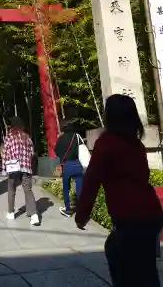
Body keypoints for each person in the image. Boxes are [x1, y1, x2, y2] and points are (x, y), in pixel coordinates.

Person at [75, 94, 163, 287]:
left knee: (125, 267)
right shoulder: (137, 145)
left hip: (129, 217)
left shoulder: (106, 143)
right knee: (146, 269)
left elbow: (92, 180)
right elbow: (143, 176)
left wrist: (82, 213)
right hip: (151, 214)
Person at [2, 116, 40, 226]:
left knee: (11, 189)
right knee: (28, 190)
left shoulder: (9, 137)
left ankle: (11, 212)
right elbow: (32, 153)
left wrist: (4, 169)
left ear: (12, 126)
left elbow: (5, 153)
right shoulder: (27, 137)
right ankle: (34, 215)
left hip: (13, 167)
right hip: (26, 166)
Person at [54, 122, 84, 217]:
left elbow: (56, 151)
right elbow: (82, 148)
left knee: (66, 188)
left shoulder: (61, 138)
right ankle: (81, 210)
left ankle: (67, 209)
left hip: (66, 165)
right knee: (80, 188)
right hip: (77, 164)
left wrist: (63, 156)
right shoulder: (77, 136)